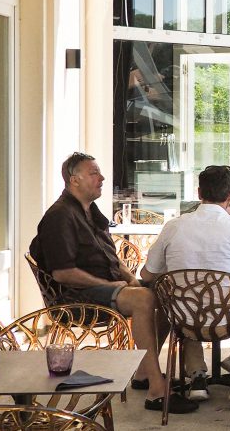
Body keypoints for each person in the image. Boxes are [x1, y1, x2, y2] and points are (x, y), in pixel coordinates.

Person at [29, 152, 197, 414]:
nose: (102, 178)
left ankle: (143, 371)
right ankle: (156, 388)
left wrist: (130, 279)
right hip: (74, 296)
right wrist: (115, 287)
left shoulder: (90, 212)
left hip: (106, 286)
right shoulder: (59, 216)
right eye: (94, 173)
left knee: (167, 289)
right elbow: (63, 273)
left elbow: (109, 258)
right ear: (74, 180)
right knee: (143, 299)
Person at [140, 165, 230, 405]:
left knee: (187, 299)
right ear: (229, 196)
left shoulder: (173, 227)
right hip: (229, 320)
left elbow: (146, 274)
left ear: (198, 192)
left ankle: (196, 377)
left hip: (183, 320)